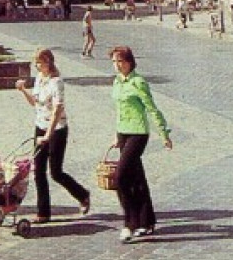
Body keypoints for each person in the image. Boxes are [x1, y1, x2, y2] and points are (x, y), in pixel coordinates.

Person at [14, 49, 92, 225]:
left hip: (57, 129)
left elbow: (58, 110)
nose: (37, 66)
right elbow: (35, 103)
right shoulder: (40, 79)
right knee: (38, 170)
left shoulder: (57, 82)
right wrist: (23, 90)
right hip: (40, 125)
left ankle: (82, 194)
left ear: (48, 62)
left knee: (56, 172)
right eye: (36, 63)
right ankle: (43, 213)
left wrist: (49, 135)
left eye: (40, 63)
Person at [108, 46, 173, 241]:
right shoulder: (116, 82)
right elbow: (119, 111)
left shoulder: (139, 82)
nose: (117, 66)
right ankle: (147, 221)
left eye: (120, 61)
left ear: (129, 61)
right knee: (137, 179)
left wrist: (164, 133)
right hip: (124, 133)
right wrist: (117, 135)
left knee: (120, 177)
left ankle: (130, 222)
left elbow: (152, 109)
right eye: (114, 62)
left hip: (138, 133)